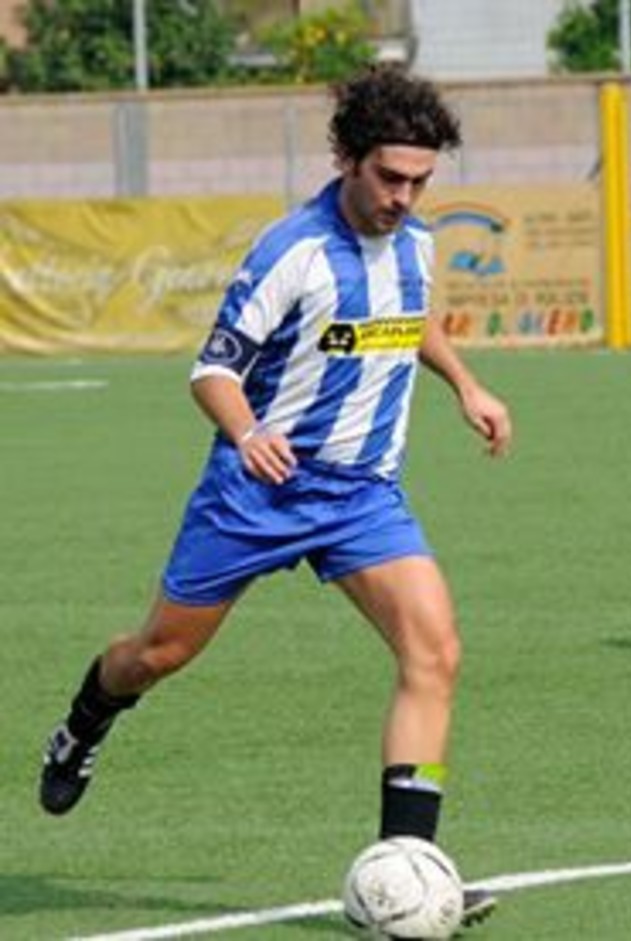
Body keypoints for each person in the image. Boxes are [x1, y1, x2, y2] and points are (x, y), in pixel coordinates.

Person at [39, 63, 511, 927]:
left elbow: (413, 322)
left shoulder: (416, 244)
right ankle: (87, 717)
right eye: (390, 177)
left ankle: (411, 864)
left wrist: (466, 385)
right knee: (158, 653)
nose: (405, 197)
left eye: (421, 181)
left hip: (363, 493)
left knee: (435, 652)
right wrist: (250, 431)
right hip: (258, 493)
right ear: (347, 159)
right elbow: (213, 368)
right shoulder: (290, 251)